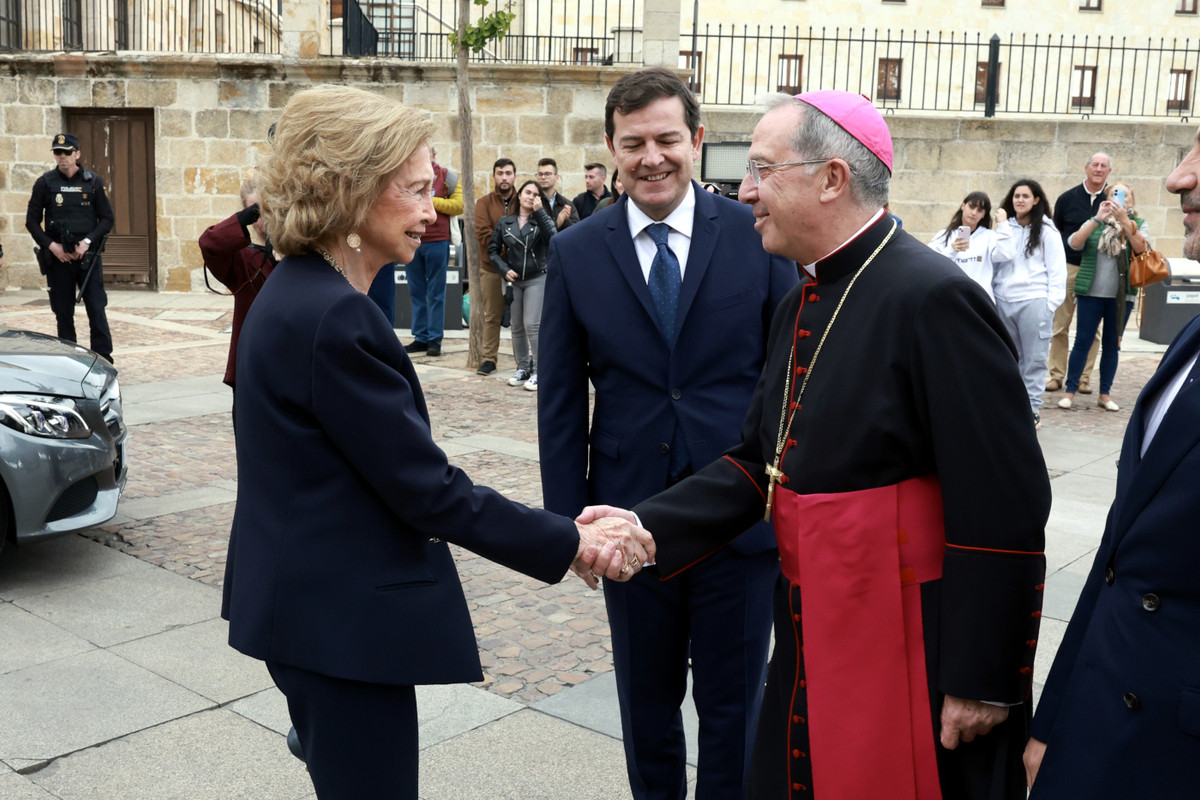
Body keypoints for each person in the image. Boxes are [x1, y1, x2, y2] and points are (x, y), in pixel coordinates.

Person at [583, 90, 1050, 800]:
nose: (743, 192)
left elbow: (1005, 505)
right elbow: (757, 465)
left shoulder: (933, 298)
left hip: (905, 636)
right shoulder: (803, 299)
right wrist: (645, 525)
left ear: (831, 178)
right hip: (812, 621)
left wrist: (984, 679)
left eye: (762, 171)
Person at [220, 86, 653, 800]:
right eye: (418, 189)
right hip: (338, 631)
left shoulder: (301, 292)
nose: (433, 210)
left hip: (310, 614)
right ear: (352, 193)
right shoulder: (333, 317)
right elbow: (427, 490)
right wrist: (567, 541)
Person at [539, 67, 799, 800]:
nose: (651, 157)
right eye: (633, 143)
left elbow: (787, 379)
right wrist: (571, 527)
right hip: (626, 521)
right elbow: (560, 398)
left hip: (738, 520)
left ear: (697, 140)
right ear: (611, 149)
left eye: (666, 139)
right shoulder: (577, 251)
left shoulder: (756, 238)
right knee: (646, 706)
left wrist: (783, 499)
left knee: (734, 707)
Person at [1023, 128, 1200, 799]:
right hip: (1099, 725)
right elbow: (1119, 557)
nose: (1179, 178)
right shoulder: (1191, 338)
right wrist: (1057, 717)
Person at [1056, 182, 1149, 414]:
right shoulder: (1095, 220)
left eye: (1125, 196)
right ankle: (1070, 391)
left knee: (1111, 345)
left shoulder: (1138, 224)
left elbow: (1141, 248)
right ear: (1106, 198)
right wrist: (1098, 218)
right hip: (1091, 292)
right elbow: (1074, 243)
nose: (1120, 199)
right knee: (1082, 342)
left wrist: (1125, 222)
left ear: (1132, 202)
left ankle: (1104, 394)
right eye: (1114, 194)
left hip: (1121, 296)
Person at [25, 133, 115, 362]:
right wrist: (51, 246)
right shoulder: (45, 183)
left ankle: (104, 359)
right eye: (57, 152)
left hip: (87, 257)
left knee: (96, 309)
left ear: (77, 154)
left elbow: (106, 219)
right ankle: (70, 361)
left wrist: (87, 242)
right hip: (59, 259)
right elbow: (32, 221)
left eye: (66, 152)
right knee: (63, 313)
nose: (62, 157)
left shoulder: (92, 182)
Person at [198, 175, 278, 410]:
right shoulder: (245, 261)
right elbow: (209, 244)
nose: (263, 219)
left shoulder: (301, 259)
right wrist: (242, 219)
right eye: (256, 213)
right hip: (252, 369)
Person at [995, 179, 1067, 427]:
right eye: (1016, 196)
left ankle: (1032, 409)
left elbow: (1057, 270)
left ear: (1036, 200)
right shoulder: (1005, 227)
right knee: (1007, 359)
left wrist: (1050, 305)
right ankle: (1007, 407)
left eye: (1025, 196)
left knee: (1034, 361)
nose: (1020, 200)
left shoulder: (1047, 230)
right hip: (1004, 302)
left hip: (1034, 302)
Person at [1048, 153, 1110, 392]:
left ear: (1109, 172)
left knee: (1092, 329)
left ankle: (1084, 378)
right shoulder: (1067, 198)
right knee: (1060, 325)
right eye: (1095, 165)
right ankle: (1056, 375)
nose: (1098, 169)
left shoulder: (1112, 198)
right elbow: (1056, 233)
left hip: (1098, 271)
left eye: (1103, 166)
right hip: (1070, 268)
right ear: (1086, 168)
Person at [488, 180, 557, 391]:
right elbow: (492, 250)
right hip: (514, 279)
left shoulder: (541, 221)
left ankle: (540, 370)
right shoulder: (505, 222)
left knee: (532, 325)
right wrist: (503, 268)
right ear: (519, 195)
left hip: (537, 277)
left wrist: (541, 213)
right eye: (527, 192)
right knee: (516, 326)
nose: (530, 196)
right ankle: (523, 367)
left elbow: (554, 238)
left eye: (535, 194)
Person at [404, 145, 464, 357]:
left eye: (425, 152)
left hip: (438, 241)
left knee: (436, 293)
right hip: (412, 239)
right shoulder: (408, 176)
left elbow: (459, 205)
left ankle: (435, 340)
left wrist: (428, 200)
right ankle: (420, 337)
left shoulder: (448, 177)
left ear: (434, 155)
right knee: (416, 291)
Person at [474, 157, 518, 375]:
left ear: (514, 177)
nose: (504, 177)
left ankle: (526, 362)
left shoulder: (523, 200)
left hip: (521, 270)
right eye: (500, 173)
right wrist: (509, 250)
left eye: (508, 173)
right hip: (491, 267)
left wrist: (515, 254)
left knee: (524, 318)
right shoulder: (483, 203)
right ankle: (488, 359)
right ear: (494, 176)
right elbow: (484, 235)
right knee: (491, 316)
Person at [928, 191, 1013, 303]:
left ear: (984, 214)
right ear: (963, 206)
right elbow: (930, 264)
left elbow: (1005, 254)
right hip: (950, 298)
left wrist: (1003, 225)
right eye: (972, 206)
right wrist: (952, 250)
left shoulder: (989, 236)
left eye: (980, 210)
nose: (974, 213)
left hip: (980, 299)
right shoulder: (943, 236)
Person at [535, 157, 579, 231]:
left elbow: (576, 231)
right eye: (540, 174)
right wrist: (558, 222)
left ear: (557, 177)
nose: (543, 177)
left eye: (547, 174)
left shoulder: (567, 204)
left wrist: (565, 219)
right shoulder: (534, 202)